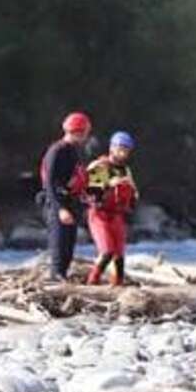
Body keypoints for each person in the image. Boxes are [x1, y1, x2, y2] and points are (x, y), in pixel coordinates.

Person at [39, 112, 94, 281]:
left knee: (68, 249)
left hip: (71, 204)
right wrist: (61, 209)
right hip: (57, 206)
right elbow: (50, 183)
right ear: (78, 131)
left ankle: (62, 276)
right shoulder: (57, 151)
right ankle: (56, 279)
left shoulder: (74, 151)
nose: (86, 136)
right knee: (59, 249)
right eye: (84, 132)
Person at [84, 131, 139, 286]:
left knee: (119, 255)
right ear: (112, 148)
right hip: (99, 215)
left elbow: (133, 193)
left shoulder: (125, 170)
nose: (123, 153)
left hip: (117, 214)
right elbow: (92, 193)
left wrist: (133, 194)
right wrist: (109, 183)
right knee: (107, 251)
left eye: (126, 150)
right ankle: (92, 282)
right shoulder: (100, 166)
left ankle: (117, 284)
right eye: (120, 149)